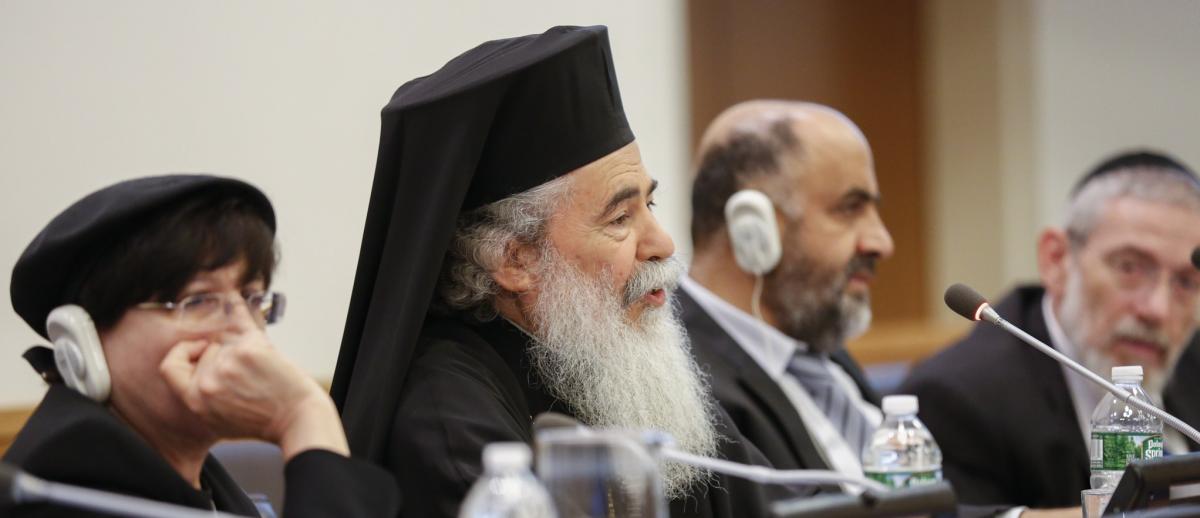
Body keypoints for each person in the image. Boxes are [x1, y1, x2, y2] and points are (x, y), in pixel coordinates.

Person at [331, 26, 785, 517]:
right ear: (515, 260)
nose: (663, 244)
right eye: (619, 219)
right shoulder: (449, 424)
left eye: (649, 203)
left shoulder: (624, 363)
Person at [4, 175, 399, 517]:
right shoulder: (68, 480)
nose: (246, 332)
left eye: (252, 299)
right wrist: (304, 416)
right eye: (198, 301)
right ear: (81, 340)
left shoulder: (179, 464)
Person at [901, 151, 1200, 510]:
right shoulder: (959, 399)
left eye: (1187, 282)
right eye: (1130, 267)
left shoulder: (1191, 361)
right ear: (1057, 260)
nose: (1157, 310)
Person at [682, 100, 890, 477]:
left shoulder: (817, 350)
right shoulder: (684, 388)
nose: (882, 242)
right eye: (849, 208)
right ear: (752, 228)